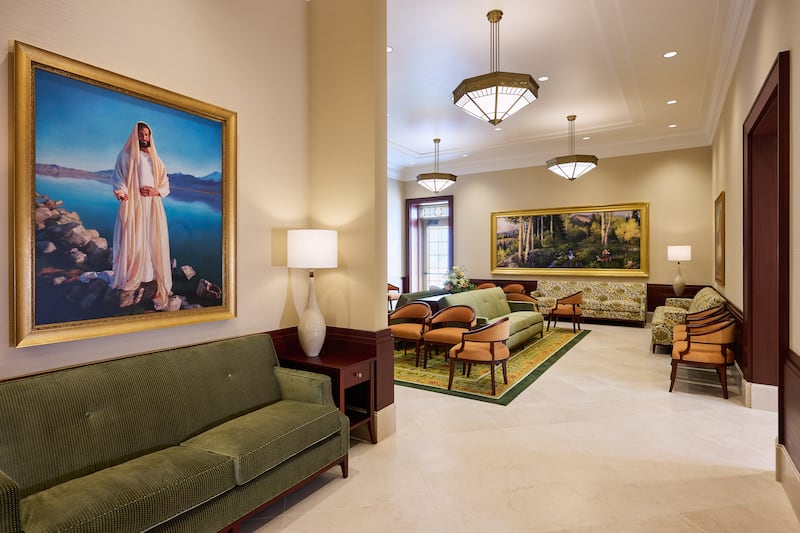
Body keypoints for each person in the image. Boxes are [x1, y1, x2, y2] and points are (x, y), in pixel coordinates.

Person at [110, 121, 173, 311]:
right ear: (135, 135)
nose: (144, 138)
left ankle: (150, 274)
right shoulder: (126, 155)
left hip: (152, 206)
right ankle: (134, 273)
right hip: (134, 204)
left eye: (147, 135)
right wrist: (121, 191)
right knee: (134, 236)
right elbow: (118, 177)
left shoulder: (156, 159)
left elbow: (165, 183)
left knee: (152, 237)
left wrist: (155, 191)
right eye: (141, 134)